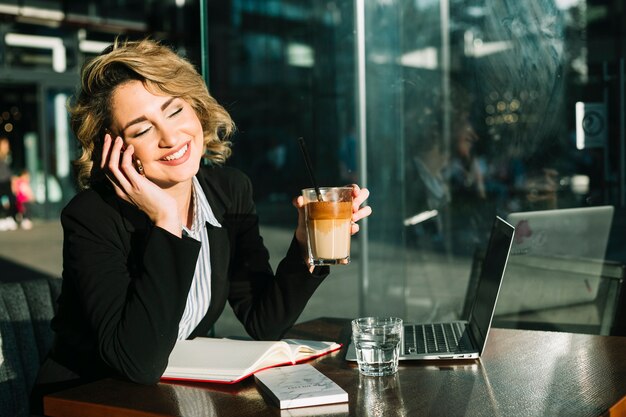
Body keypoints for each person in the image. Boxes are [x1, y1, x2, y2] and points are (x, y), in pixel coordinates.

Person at [31, 38, 371, 411]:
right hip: (90, 399)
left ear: (196, 108)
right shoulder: (92, 216)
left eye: (175, 111)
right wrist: (166, 222)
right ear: (114, 150)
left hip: (176, 396)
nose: (170, 137)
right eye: (142, 130)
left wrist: (307, 244)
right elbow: (137, 361)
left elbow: (264, 321)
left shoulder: (229, 191)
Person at [0, 136, 18, 231]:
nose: (7, 146)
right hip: (2, 183)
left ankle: (8, 218)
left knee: (10, 200)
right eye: (5, 144)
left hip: (6, 183)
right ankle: (3, 218)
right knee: (4, 202)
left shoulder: (6, 157)